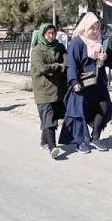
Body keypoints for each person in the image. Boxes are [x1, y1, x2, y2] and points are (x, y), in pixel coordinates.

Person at [59, 12, 112, 154]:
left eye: (97, 28)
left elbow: (111, 60)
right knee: (79, 113)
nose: (95, 31)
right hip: (82, 83)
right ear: (84, 28)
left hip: (98, 82)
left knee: (104, 108)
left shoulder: (101, 41)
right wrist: (74, 81)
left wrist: (104, 58)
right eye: (92, 28)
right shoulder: (77, 42)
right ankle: (80, 142)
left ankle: (95, 137)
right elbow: (71, 64)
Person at [30, 23, 67, 160]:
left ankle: (44, 141)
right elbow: (42, 68)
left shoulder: (59, 47)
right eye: (48, 34)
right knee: (49, 117)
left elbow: (67, 60)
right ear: (43, 35)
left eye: (53, 33)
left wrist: (65, 64)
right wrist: (58, 66)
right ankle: (53, 147)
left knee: (51, 117)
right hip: (43, 89)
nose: (51, 36)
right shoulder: (37, 50)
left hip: (57, 88)